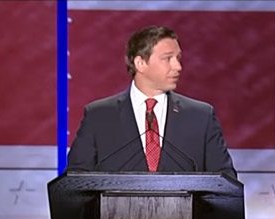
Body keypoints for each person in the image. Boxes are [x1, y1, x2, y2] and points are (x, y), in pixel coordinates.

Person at [66, 25, 236, 178]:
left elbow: (225, 181)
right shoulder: (99, 116)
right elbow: (76, 180)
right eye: (168, 58)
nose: (178, 66)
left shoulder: (200, 117)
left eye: (178, 58)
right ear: (140, 63)